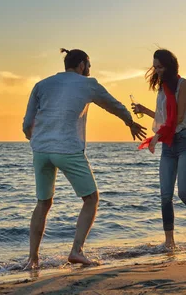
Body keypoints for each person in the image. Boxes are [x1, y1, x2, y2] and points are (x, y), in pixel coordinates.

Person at [22, 48, 146, 269]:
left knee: (43, 203)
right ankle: (76, 251)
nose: (89, 69)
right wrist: (130, 122)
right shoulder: (88, 84)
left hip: (40, 150)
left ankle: (32, 259)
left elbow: (26, 124)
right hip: (67, 148)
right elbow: (113, 105)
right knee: (91, 198)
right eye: (88, 65)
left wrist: (38, 139)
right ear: (82, 64)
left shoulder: (41, 85)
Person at [132, 49, 186, 249]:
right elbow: (162, 119)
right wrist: (144, 110)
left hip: (185, 141)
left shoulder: (183, 84)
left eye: (160, 67)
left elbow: (176, 117)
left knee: (184, 192)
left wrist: (157, 136)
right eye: (155, 67)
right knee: (165, 195)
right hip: (168, 145)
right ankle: (170, 242)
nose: (157, 71)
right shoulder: (162, 90)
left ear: (169, 66)